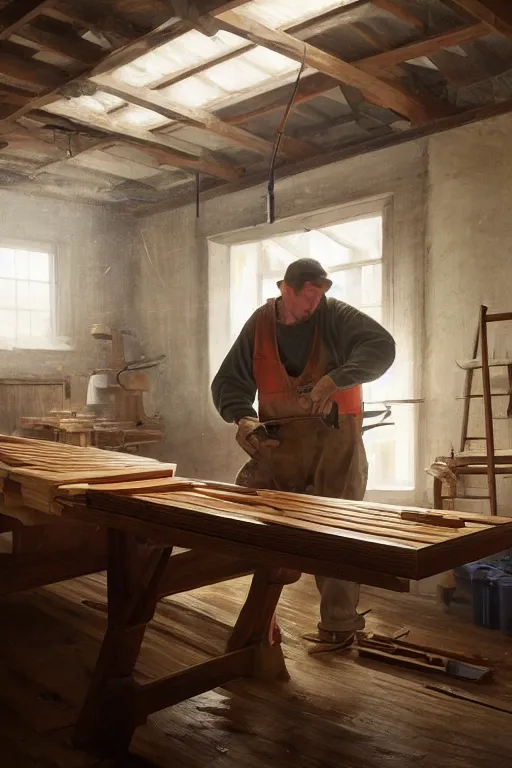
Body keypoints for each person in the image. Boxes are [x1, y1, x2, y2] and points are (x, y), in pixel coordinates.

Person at [211, 258, 396, 650]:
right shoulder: (260, 325)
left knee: (339, 532)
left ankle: (340, 626)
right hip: (282, 446)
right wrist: (242, 419)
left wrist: (334, 380)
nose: (314, 303)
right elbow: (229, 380)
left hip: (336, 445)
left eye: (319, 294)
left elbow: (382, 346)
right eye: (307, 295)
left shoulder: (336, 316)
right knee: (253, 520)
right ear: (285, 289)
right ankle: (261, 621)